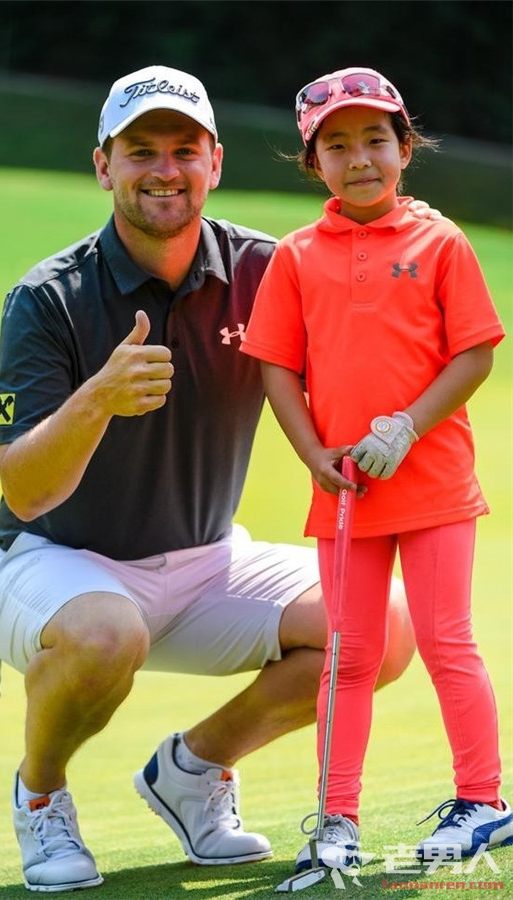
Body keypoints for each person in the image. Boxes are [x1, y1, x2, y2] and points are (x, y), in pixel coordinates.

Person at [0, 65, 439, 894]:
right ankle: (40, 793)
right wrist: (98, 401)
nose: (164, 169)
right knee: (108, 634)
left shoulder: (267, 269)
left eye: (183, 149)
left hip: (205, 559)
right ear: (103, 165)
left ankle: (192, 771)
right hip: (55, 563)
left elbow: (371, 283)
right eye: (139, 150)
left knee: (377, 624)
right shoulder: (47, 298)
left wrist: (408, 223)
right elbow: (23, 493)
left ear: (214, 163)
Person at [240, 66, 511, 876]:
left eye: (375, 140)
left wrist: (406, 426)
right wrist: (312, 455)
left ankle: (484, 801)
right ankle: (338, 820)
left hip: (432, 486)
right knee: (349, 657)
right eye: (337, 145)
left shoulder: (440, 240)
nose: (359, 158)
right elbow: (276, 369)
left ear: (404, 147)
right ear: (312, 162)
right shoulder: (294, 257)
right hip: (347, 492)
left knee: (445, 641)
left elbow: (473, 352)